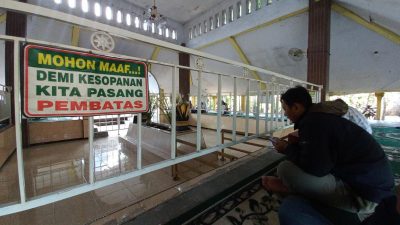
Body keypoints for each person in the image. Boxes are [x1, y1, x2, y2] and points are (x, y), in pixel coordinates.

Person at [262, 86, 394, 220]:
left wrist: (287, 149)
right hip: (373, 185)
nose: (285, 113)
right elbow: (318, 154)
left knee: (285, 169)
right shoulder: (321, 117)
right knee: (294, 163)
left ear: (296, 107)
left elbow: (316, 169)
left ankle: (295, 191)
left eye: (285, 108)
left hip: (365, 197)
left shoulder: (313, 123)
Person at [278, 187, 400, 225]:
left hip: (366, 203)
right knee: (293, 205)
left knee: (291, 209)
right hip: (366, 209)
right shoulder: (390, 203)